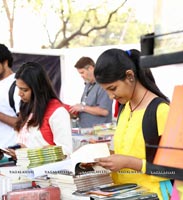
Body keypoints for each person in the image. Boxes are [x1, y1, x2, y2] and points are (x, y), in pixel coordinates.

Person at [94, 49, 171, 198]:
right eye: (106, 91)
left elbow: (171, 169)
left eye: (113, 88)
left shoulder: (160, 111)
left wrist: (129, 162)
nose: (111, 96)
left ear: (130, 76)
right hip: (123, 193)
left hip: (153, 194)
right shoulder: (125, 108)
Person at [8, 62, 72, 156]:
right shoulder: (27, 107)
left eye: (25, 90)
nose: (19, 94)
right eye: (18, 88)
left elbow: (65, 150)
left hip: (47, 170)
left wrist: (28, 153)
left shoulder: (57, 112)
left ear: (38, 89)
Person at [69, 57, 113, 128]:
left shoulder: (103, 85)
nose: (81, 76)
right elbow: (87, 108)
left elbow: (104, 111)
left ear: (91, 68)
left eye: (82, 72)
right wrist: (76, 112)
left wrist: (82, 108)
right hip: (86, 131)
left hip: (99, 134)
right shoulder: (88, 85)